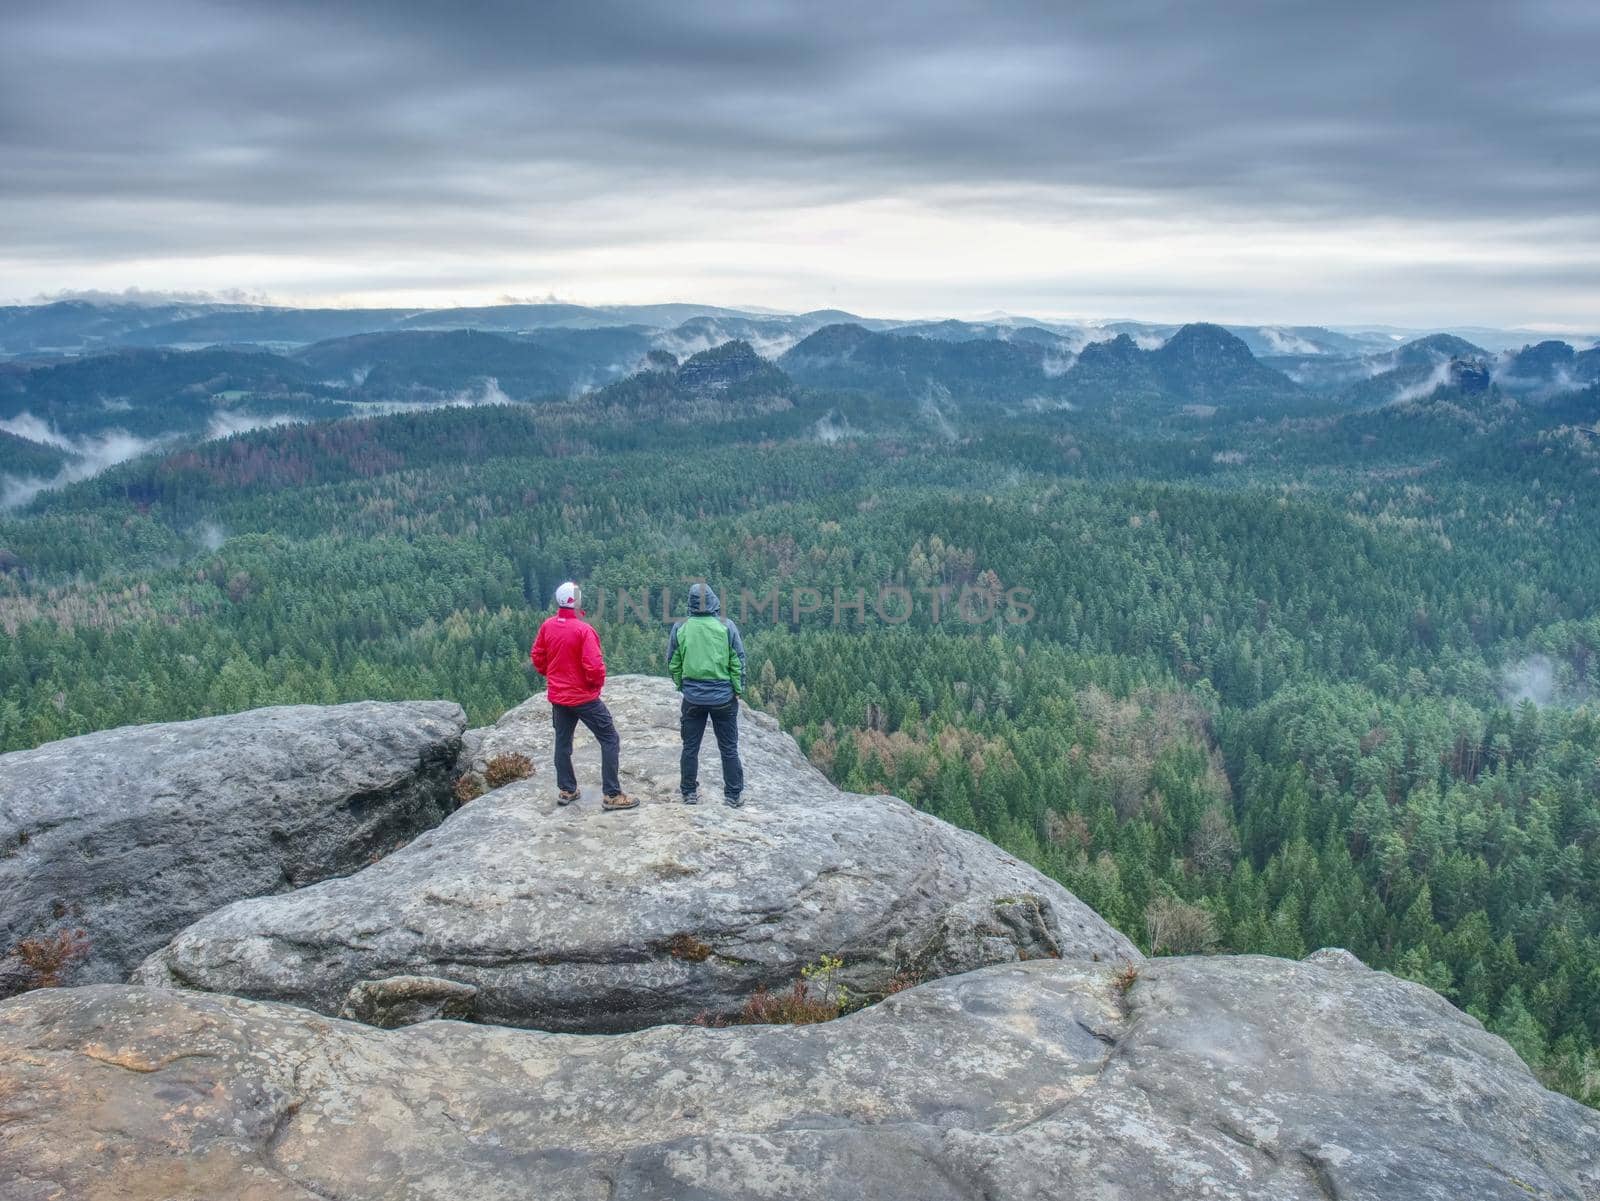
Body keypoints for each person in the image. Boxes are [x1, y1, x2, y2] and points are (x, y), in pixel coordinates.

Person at [529, 581, 635, 811]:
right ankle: (612, 794)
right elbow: (594, 666)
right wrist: (593, 687)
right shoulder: (583, 630)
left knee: (563, 742)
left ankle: (567, 789)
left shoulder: (548, 626)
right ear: (577, 602)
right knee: (609, 739)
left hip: (559, 697)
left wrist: (552, 675)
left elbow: (537, 656)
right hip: (584, 698)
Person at [666, 581, 746, 807]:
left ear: (690, 603)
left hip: (693, 698)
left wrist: (683, 685)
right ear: (713, 600)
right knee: (729, 748)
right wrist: (737, 690)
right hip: (723, 698)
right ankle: (733, 795)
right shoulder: (726, 625)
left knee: (690, 747)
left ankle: (689, 793)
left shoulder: (681, 626)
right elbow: (737, 660)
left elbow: (673, 661)